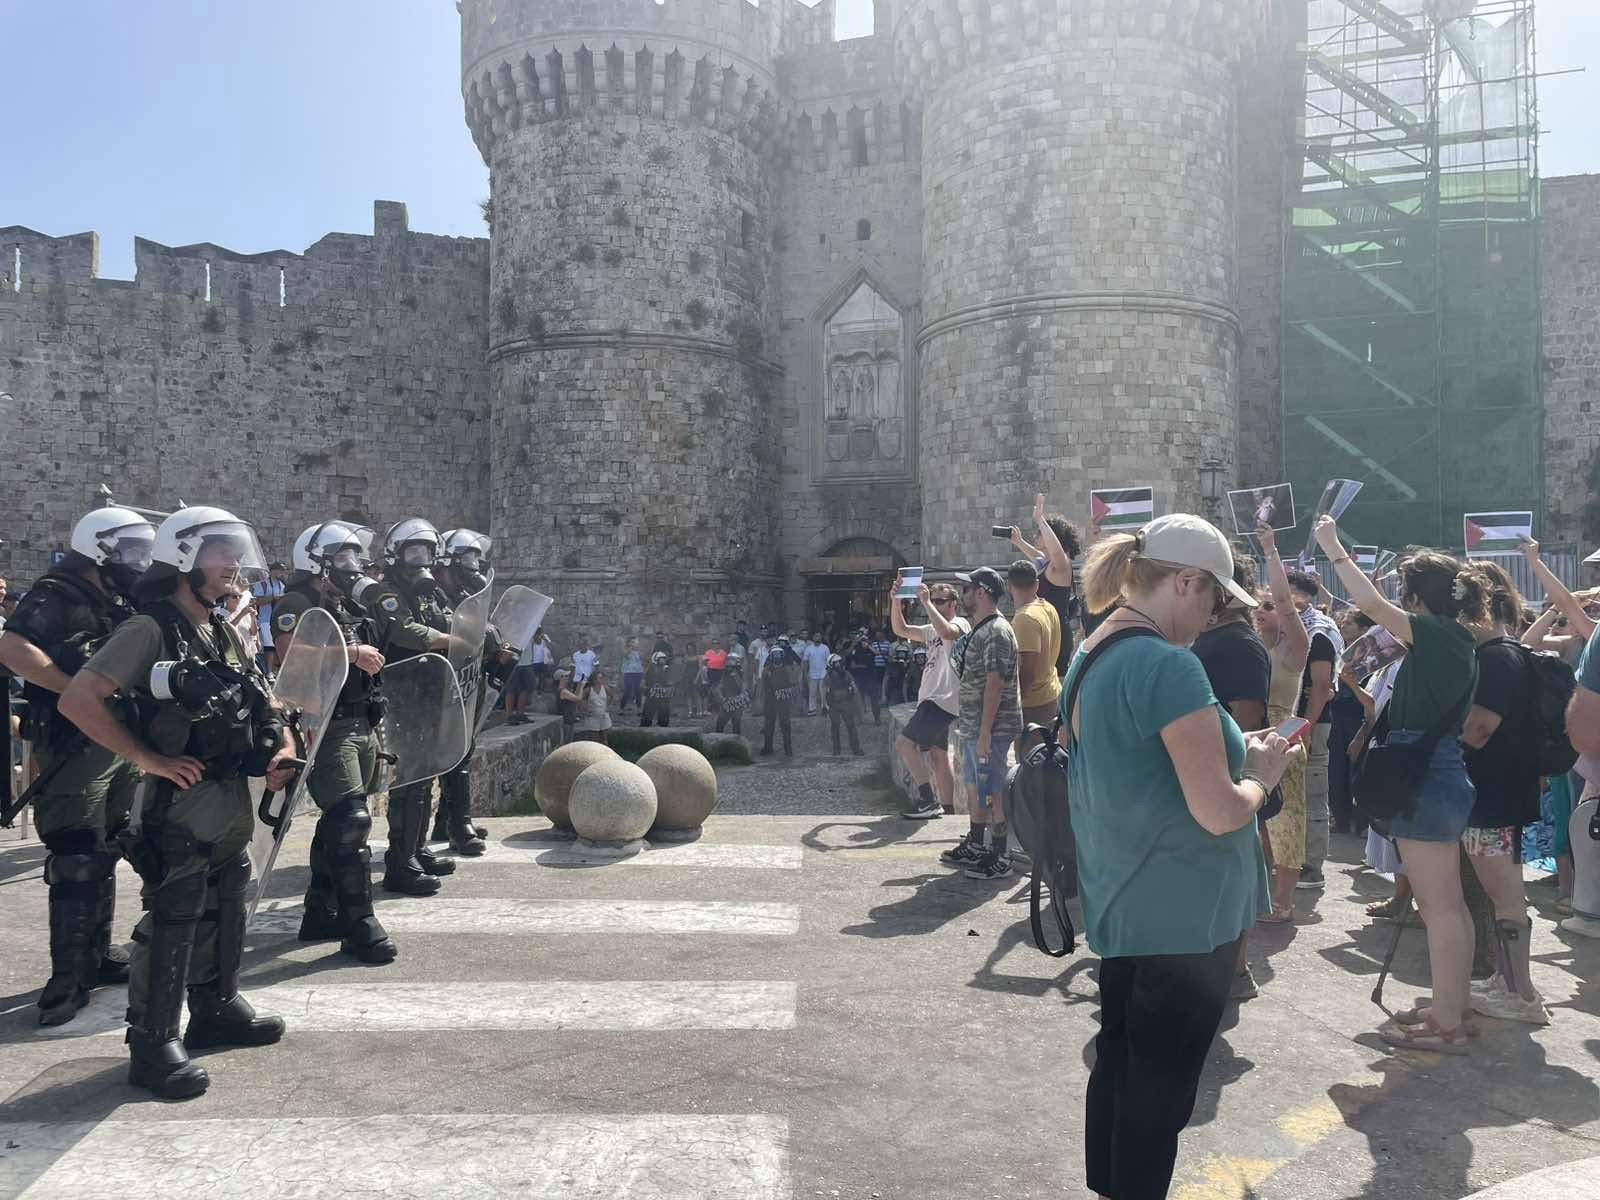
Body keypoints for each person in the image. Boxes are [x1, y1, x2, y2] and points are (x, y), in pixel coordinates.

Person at [1063, 513, 1289, 1200]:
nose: (1216, 615)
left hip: (1127, 897)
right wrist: (1262, 775)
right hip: (1187, 912)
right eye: (1215, 597)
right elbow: (1219, 809)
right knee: (1158, 1095)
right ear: (1186, 581)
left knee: (1122, 1068)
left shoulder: (1094, 648)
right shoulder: (1168, 664)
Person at [58, 506, 296, 1099]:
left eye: (235, 552)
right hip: (179, 801)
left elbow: (263, 701)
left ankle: (216, 1007)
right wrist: (147, 758)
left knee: (230, 895)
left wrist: (279, 752)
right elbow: (79, 699)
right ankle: (152, 1041)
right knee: (176, 910)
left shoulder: (221, 628)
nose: (233, 564)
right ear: (185, 558)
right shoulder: (150, 628)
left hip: (226, 795)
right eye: (221, 553)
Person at [1315, 515, 1484, 1052]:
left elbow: (1368, 603)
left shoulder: (1435, 634)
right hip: (1440, 773)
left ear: (1415, 596)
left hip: (1426, 777)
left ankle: (1448, 1023)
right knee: (1449, 905)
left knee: (1439, 909)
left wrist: (1332, 546)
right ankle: (1452, 1005)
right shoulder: (1452, 638)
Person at [0, 505, 154, 1025]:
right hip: (72, 743)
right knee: (76, 855)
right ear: (99, 550)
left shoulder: (116, 597)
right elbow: (13, 648)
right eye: (130, 549)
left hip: (115, 741)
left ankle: (98, 954)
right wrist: (75, 691)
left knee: (107, 845)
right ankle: (67, 978)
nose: (138, 559)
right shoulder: (57, 592)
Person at [273, 522, 396, 964]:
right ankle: (359, 924)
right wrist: (353, 654)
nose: (352, 565)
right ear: (317, 562)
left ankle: (319, 910)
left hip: (360, 718)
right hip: (326, 722)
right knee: (350, 819)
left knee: (339, 822)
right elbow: (288, 653)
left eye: (353, 556)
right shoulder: (297, 602)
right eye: (342, 557)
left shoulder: (344, 605)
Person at [1456, 561, 1549, 1023]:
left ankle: (1521, 994)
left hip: (1493, 797)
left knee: (1506, 895)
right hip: (1498, 793)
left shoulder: (1496, 658)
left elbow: (1476, 731)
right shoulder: (1504, 652)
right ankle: (1506, 980)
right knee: (1504, 895)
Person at [1192, 551, 1273, 1002]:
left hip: (1228, 781)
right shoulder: (1217, 638)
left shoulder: (1240, 643)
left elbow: (1248, 717)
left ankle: (1236, 969)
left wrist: (1230, 779)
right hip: (1208, 777)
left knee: (1235, 878)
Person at [367, 518, 460, 893]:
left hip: (428, 692)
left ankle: (417, 849)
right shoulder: (385, 592)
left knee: (425, 777)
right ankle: (399, 862)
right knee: (406, 781)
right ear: (396, 554)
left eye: (426, 551)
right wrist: (451, 639)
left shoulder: (429, 593)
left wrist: (470, 629)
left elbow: (449, 618)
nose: (421, 558)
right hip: (401, 695)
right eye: (413, 551)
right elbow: (404, 630)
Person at [423, 527, 503, 857]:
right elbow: (449, 628)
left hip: (464, 683)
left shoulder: (460, 595)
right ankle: (460, 827)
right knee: (451, 758)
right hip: (436, 687)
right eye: (467, 561)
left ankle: (447, 822)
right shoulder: (432, 595)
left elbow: (484, 633)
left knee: (462, 754)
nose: (473, 568)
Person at [943, 567, 1023, 880]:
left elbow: (995, 682)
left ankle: (1001, 854)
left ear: (981, 593)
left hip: (991, 729)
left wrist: (986, 733)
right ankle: (977, 844)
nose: (962, 595)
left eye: (966, 589)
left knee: (993, 789)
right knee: (977, 787)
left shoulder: (997, 631)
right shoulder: (984, 628)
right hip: (975, 727)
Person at [1252, 525, 1310, 923]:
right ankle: (1261, 894)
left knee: (1287, 823)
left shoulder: (1294, 648)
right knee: (1258, 824)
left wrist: (1270, 551)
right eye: (1258, 605)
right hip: (1254, 735)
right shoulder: (1251, 645)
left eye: (1268, 606)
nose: (1262, 610)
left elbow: (1287, 604)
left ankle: (1284, 902)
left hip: (1284, 737)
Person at [893, 580, 970, 820]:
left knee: (904, 744)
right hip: (932, 699)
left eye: (940, 601)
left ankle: (927, 800)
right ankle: (948, 810)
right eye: (933, 600)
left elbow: (948, 632)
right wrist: (895, 601)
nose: (935, 604)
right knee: (939, 755)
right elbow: (901, 630)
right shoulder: (931, 629)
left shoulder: (960, 623)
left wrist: (926, 602)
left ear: (954, 604)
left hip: (941, 699)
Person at [1288, 568, 1342, 890]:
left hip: (1312, 724)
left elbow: (1321, 687)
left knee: (1312, 792)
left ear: (1303, 596)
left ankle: (1311, 865)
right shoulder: (1292, 629)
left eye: (1286, 591)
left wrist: (1305, 725)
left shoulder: (1317, 634)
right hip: (1291, 721)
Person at [1010, 492, 1083, 673]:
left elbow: (1056, 552)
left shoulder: (1061, 565)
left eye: (1040, 533)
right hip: (1044, 630)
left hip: (1056, 634)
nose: (1036, 536)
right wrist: (1018, 542)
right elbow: (1037, 555)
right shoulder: (1048, 563)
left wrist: (1040, 520)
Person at [1007, 559, 1062, 749]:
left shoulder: (1025, 619)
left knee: (1031, 763)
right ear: (1037, 584)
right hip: (1050, 695)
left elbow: (1028, 672)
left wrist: (1013, 705)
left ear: (1009, 586)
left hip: (1033, 706)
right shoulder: (1048, 607)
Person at [761, 635, 801, 757]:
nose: (777, 656)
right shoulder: (767, 669)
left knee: (785, 724)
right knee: (769, 724)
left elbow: (793, 682)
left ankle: (788, 749)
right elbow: (764, 685)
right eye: (775, 654)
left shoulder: (787, 668)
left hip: (783, 699)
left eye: (779, 654)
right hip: (770, 699)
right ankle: (768, 748)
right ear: (771, 656)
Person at [250, 561, 288, 675]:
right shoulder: (262, 584)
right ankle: (269, 672)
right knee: (269, 646)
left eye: (283, 571)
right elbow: (256, 601)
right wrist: (273, 598)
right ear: (272, 571)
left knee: (278, 645)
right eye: (280, 570)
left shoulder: (283, 585)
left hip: (278, 620)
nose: (282, 573)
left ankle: (276, 671)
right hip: (265, 619)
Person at [823, 653, 864, 756]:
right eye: (835, 662)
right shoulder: (828, 676)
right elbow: (824, 690)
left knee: (851, 726)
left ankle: (856, 749)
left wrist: (856, 702)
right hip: (833, 704)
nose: (838, 664)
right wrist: (825, 705)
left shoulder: (847, 674)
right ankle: (836, 750)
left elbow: (854, 687)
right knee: (835, 727)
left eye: (839, 662)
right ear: (831, 664)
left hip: (846, 703)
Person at [846, 629, 880, 725]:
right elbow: (850, 661)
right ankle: (860, 718)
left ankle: (877, 718)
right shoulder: (855, 648)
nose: (862, 640)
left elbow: (877, 653)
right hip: (859, 677)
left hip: (871, 676)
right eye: (860, 637)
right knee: (858, 698)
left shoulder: (869, 647)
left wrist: (868, 645)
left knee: (874, 698)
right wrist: (854, 643)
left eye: (863, 637)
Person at [715, 649, 750, 735]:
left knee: (736, 722)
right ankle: (718, 739)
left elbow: (743, 687)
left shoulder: (740, 673)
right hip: (727, 700)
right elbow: (719, 686)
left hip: (737, 701)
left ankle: (737, 740)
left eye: (731, 660)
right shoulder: (724, 673)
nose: (729, 663)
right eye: (728, 660)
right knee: (720, 722)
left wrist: (741, 697)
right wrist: (721, 698)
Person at [574, 668, 613, 745]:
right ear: (594, 679)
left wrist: (608, 706)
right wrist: (583, 711)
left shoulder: (605, 688)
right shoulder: (589, 690)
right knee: (593, 739)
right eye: (599, 678)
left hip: (603, 716)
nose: (601, 679)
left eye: (602, 677)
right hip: (592, 718)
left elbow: (612, 696)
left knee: (604, 738)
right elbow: (578, 699)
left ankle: (605, 751)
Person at [641, 650, 674, 727]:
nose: (663, 660)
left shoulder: (666, 668)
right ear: (656, 659)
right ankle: (645, 724)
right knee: (649, 709)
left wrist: (669, 684)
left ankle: (663, 723)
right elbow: (647, 680)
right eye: (661, 658)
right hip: (653, 692)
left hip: (663, 692)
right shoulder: (651, 668)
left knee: (664, 709)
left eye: (664, 658)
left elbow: (669, 679)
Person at [804, 632, 830, 715]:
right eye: (815, 636)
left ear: (821, 637)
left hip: (823, 674)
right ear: (813, 637)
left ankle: (824, 708)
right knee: (812, 693)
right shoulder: (809, 648)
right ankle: (812, 709)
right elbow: (805, 662)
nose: (817, 637)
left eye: (819, 636)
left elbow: (828, 662)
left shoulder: (825, 648)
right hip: (812, 674)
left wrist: (828, 674)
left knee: (823, 693)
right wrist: (805, 673)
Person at [619, 636, 644, 714]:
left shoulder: (638, 652)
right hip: (628, 673)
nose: (635, 643)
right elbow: (625, 654)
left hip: (638, 673)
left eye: (636, 642)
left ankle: (639, 709)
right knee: (628, 690)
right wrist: (630, 647)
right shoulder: (626, 650)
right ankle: (622, 708)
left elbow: (642, 660)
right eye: (633, 641)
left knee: (638, 691)